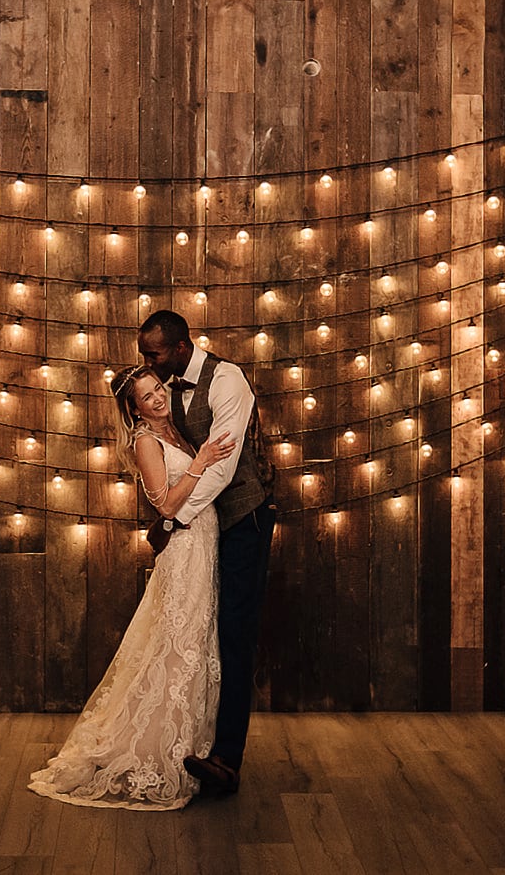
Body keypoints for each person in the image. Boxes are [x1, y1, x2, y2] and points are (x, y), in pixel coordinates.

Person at [27, 365, 235, 810]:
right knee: (177, 644)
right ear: (134, 407)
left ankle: (189, 747)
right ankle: (155, 754)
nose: (157, 398)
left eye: (158, 388)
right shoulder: (145, 440)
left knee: (197, 644)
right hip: (184, 548)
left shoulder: (177, 429)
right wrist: (199, 465)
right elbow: (164, 503)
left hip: (206, 542)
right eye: (146, 396)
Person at [137, 309, 274, 796]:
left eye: (152, 353)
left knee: (235, 632)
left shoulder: (228, 380)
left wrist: (173, 517)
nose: (146, 362)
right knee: (200, 632)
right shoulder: (166, 387)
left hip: (243, 518)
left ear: (178, 347)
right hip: (201, 528)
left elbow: (221, 465)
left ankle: (226, 761)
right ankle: (188, 742)